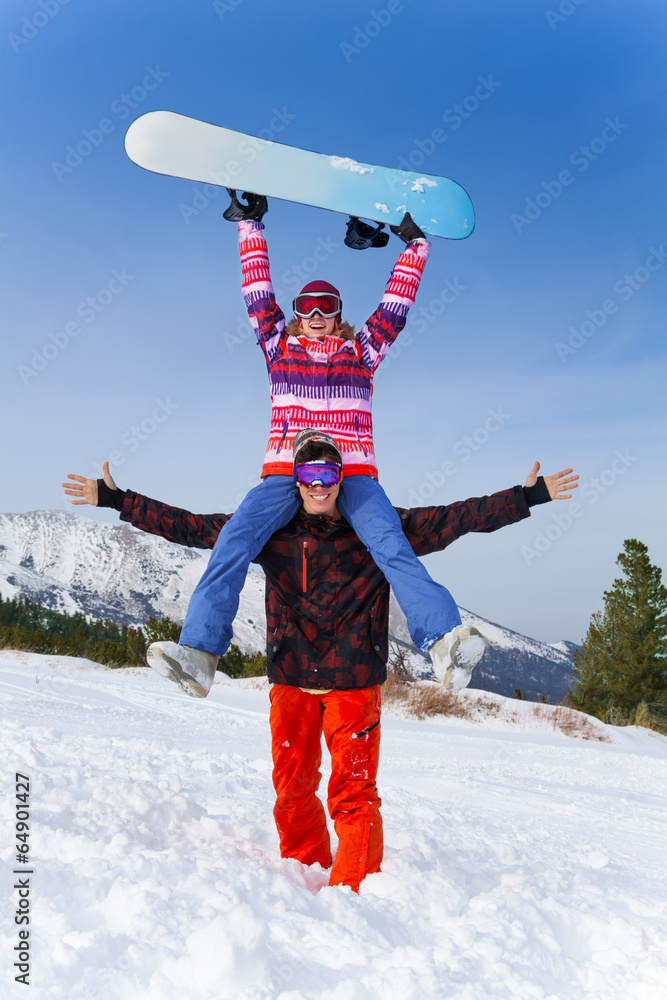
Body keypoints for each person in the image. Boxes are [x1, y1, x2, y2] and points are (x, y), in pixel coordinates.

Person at [63, 439, 578, 892]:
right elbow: (195, 528)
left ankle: (356, 892)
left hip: (355, 682)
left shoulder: (379, 528)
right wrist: (118, 500)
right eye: (307, 475)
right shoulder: (272, 529)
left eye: (328, 474)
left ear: (340, 478)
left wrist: (527, 497)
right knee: (291, 788)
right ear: (295, 479)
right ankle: (304, 871)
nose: (318, 484)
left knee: (353, 792)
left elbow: (457, 518)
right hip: (290, 678)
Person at [170, 194, 483, 687]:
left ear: (339, 314)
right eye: (307, 307)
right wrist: (250, 224)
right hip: (284, 473)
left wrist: (416, 246)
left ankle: (444, 642)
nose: (316, 314)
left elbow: (394, 308)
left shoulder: (362, 351)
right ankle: (199, 654)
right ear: (296, 314)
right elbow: (257, 293)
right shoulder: (280, 348)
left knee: (391, 546)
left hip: (353, 472)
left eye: (328, 306)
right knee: (233, 540)